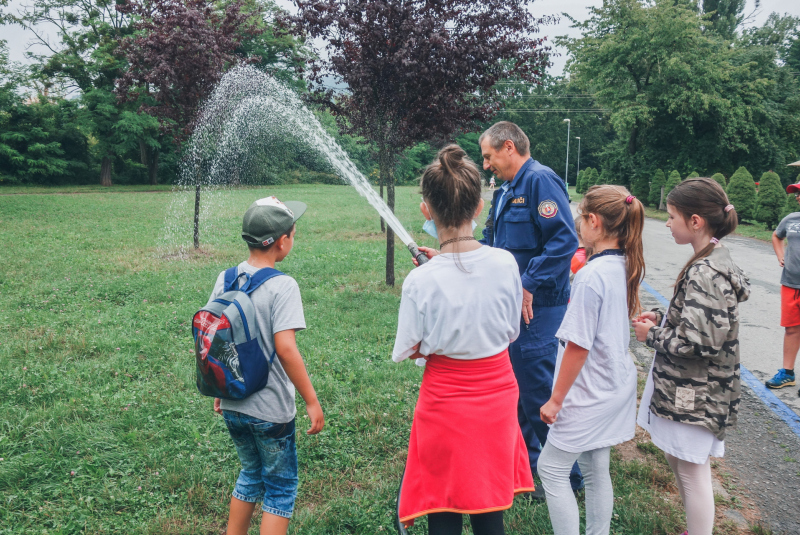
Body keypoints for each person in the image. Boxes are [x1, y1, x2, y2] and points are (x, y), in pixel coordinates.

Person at [394, 145, 534, 535]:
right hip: (498, 394)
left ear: (426, 209)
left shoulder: (420, 280)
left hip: (444, 401)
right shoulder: (507, 263)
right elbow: (509, 329)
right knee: (491, 508)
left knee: (444, 501)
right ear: (478, 208)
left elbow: (411, 348)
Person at [633, 178, 750, 535]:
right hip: (691, 388)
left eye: (671, 216)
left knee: (690, 469)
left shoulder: (705, 271)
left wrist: (650, 334)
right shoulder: (710, 259)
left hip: (696, 391)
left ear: (695, 221)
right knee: (679, 461)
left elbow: (701, 342)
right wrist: (662, 315)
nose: (667, 223)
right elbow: (700, 320)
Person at [208, 196, 324, 535]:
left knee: (250, 473)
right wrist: (311, 400)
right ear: (282, 242)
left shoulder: (225, 278)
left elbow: (217, 338)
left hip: (233, 401)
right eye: (293, 232)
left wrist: (220, 386)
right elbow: (286, 349)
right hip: (270, 408)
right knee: (281, 487)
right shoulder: (282, 286)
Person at [478, 121, 582, 495]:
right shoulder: (507, 190)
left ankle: (568, 478)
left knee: (537, 392)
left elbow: (564, 241)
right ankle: (533, 469)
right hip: (513, 305)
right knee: (518, 392)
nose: (486, 164)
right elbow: (491, 241)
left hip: (539, 307)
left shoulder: (540, 180)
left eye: (489, 156)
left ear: (509, 147)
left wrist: (527, 284)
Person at [538, 186, 644, 535]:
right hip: (614, 383)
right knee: (596, 467)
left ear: (594, 222)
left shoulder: (590, 276)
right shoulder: (626, 263)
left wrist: (556, 399)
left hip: (589, 390)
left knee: (551, 469)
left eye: (580, 219)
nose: (577, 227)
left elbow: (578, 346)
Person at [765, 183, 800, 393]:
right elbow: (777, 236)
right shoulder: (791, 219)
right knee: (792, 328)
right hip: (790, 283)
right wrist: (780, 255)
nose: (797, 196)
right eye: (796, 193)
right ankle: (787, 373)